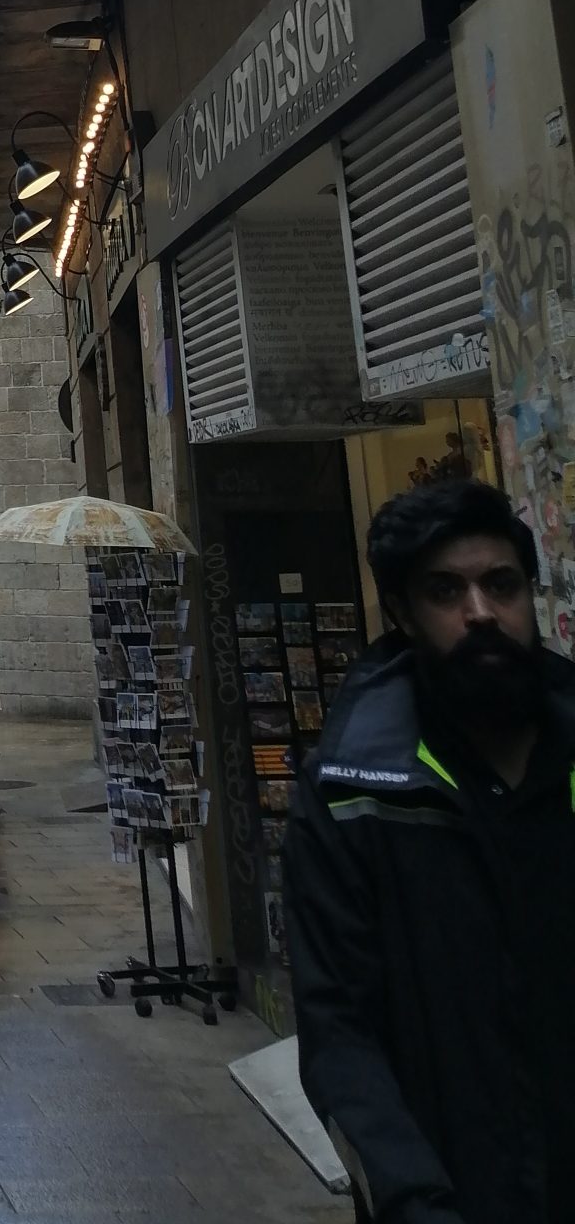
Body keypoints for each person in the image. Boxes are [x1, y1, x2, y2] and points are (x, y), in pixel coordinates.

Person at [283, 481, 575, 1224]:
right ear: (404, 615)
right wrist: (411, 1197)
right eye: (447, 591)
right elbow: (338, 1027)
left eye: (501, 585)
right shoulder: (350, 794)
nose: (481, 613)